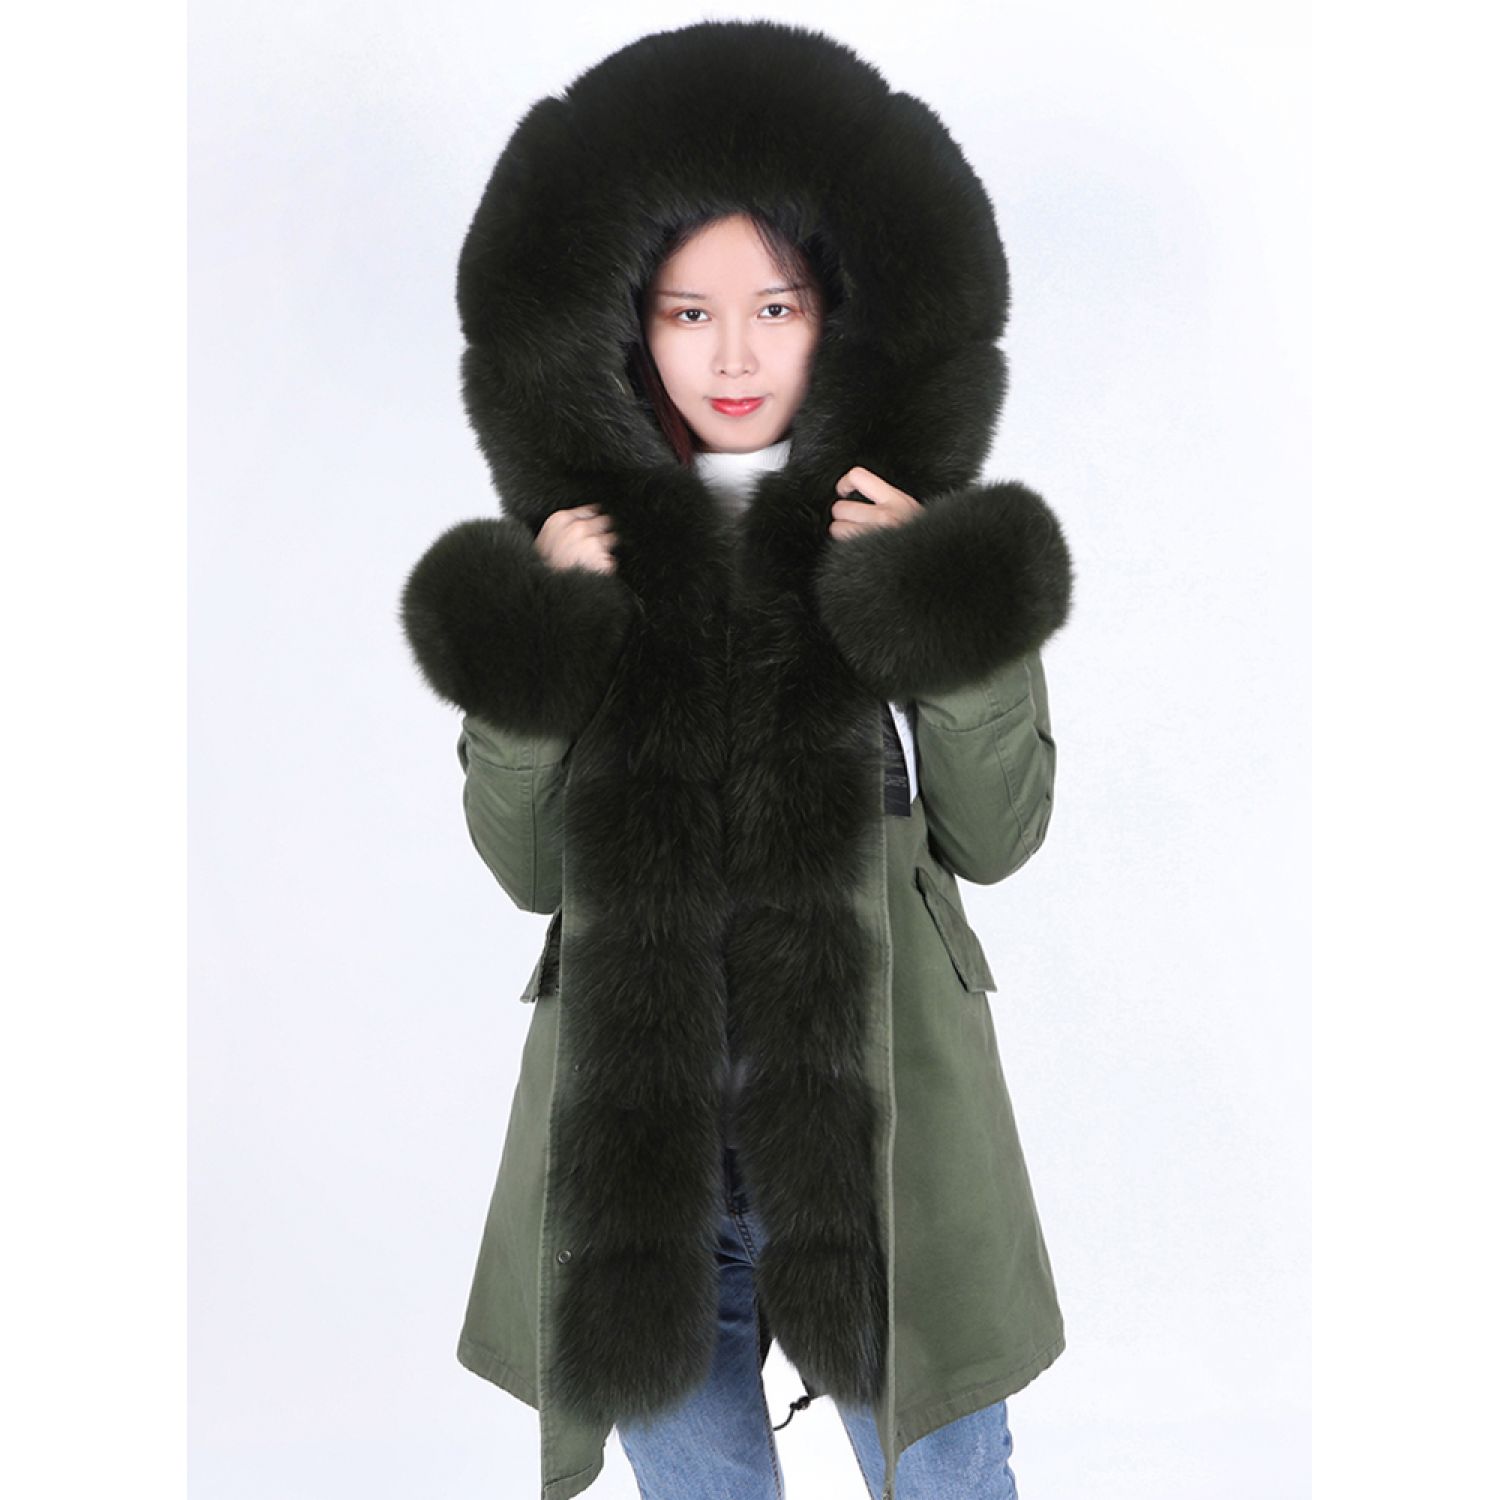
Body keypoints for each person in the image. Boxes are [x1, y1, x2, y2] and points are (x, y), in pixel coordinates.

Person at [399, 20, 1075, 1500]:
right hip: (646, 1162)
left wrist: (935, 601)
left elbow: (998, 831)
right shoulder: (576, 553)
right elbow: (527, 871)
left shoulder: (895, 530)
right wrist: (541, 637)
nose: (733, 353)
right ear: (626, 327)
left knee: (950, 1481)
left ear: (837, 315)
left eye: (774, 306)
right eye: (689, 312)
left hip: (881, 1136)